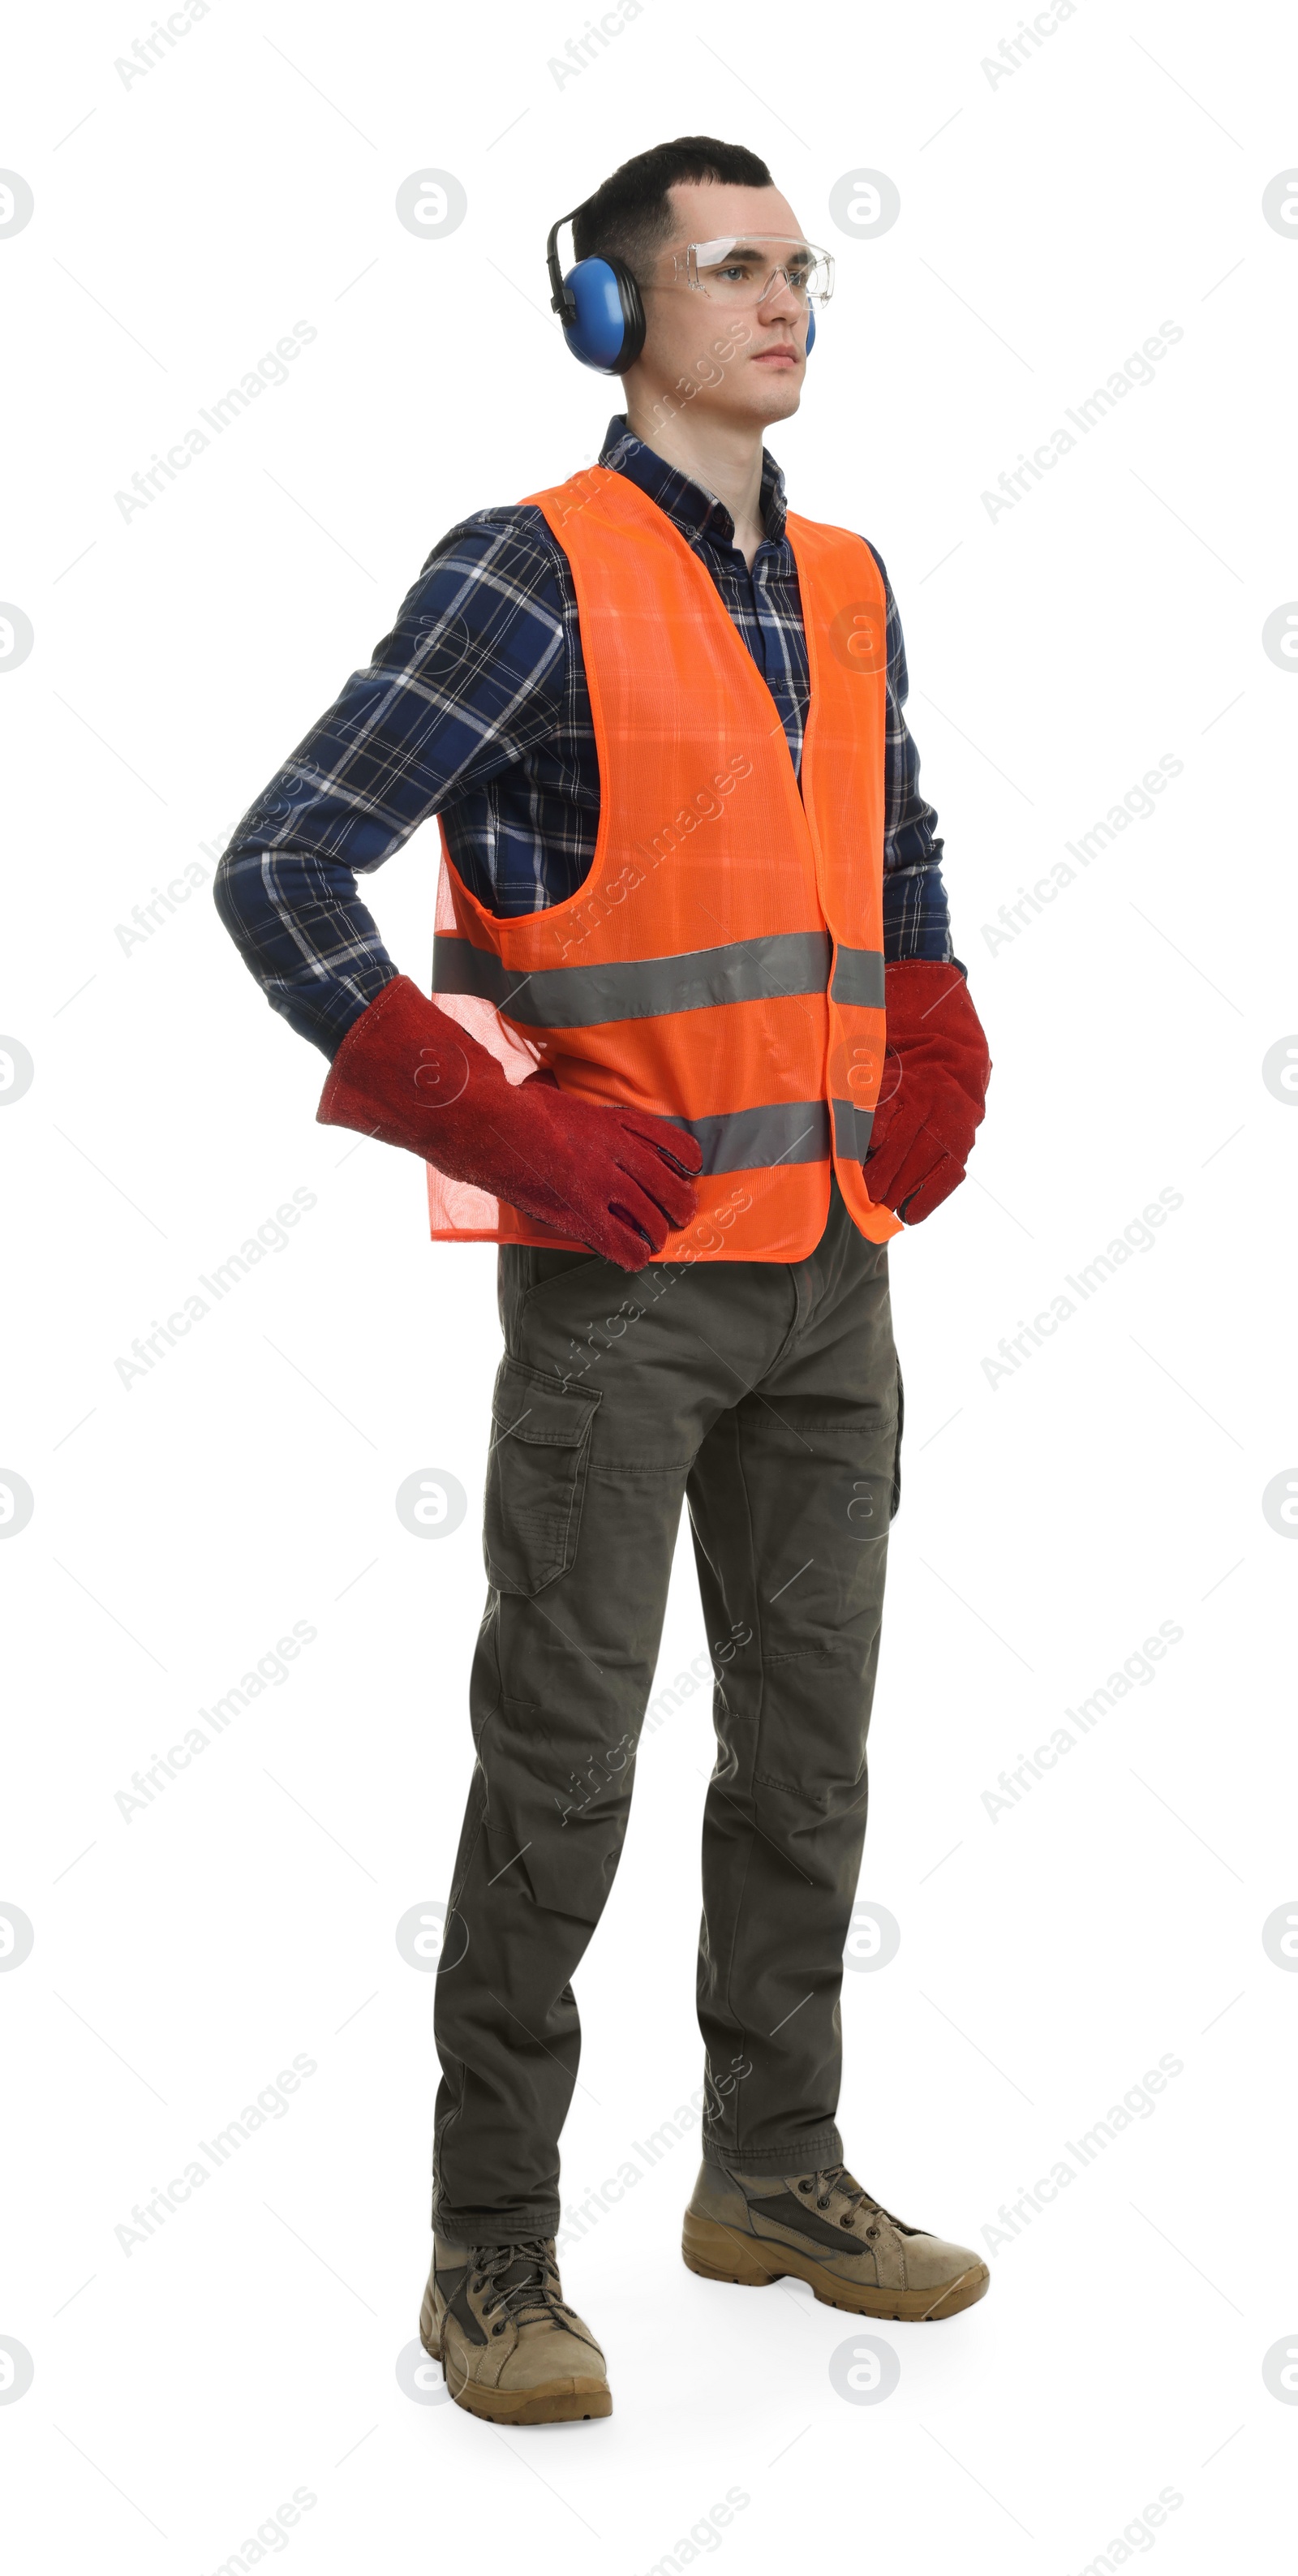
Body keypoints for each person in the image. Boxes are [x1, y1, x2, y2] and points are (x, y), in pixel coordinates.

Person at [215, 135, 993, 2428]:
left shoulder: (844, 580)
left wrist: (936, 1026)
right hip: (625, 1284)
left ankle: (773, 2173)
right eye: (732, 268)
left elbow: (901, 842)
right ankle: (489, 2260)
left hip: (829, 1276)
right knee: (559, 1774)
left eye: (804, 268)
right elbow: (282, 871)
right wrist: (490, 1119)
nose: (785, 305)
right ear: (605, 313)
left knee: (810, 1763)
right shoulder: (525, 573)